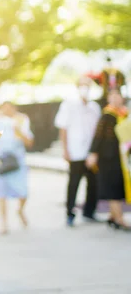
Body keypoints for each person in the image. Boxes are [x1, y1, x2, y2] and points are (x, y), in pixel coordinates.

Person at [54, 76, 102, 227]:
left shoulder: (94, 107)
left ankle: (89, 211)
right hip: (76, 152)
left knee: (94, 183)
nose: (85, 88)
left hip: (92, 153)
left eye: (88, 85)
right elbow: (63, 128)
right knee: (74, 183)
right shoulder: (69, 104)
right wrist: (65, 150)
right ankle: (70, 213)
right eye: (82, 85)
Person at [0, 101, 34, 235]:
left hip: (17, 160)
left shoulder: (21, 119)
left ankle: (20, 210)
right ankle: (4, 223)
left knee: (23, 191)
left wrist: (17, 129)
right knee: (1, 192)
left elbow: (29, 141)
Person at [86, 89, 130, 231]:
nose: (116, 99)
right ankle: (119, 218)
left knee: (118, 185)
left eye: (118, 96)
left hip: (121, 156)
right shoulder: (107, 115)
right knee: (113, 186)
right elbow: (98, 135)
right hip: (108, 157)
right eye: (113, 96)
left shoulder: (124, 113)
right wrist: (93, 153)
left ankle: (112, 216)